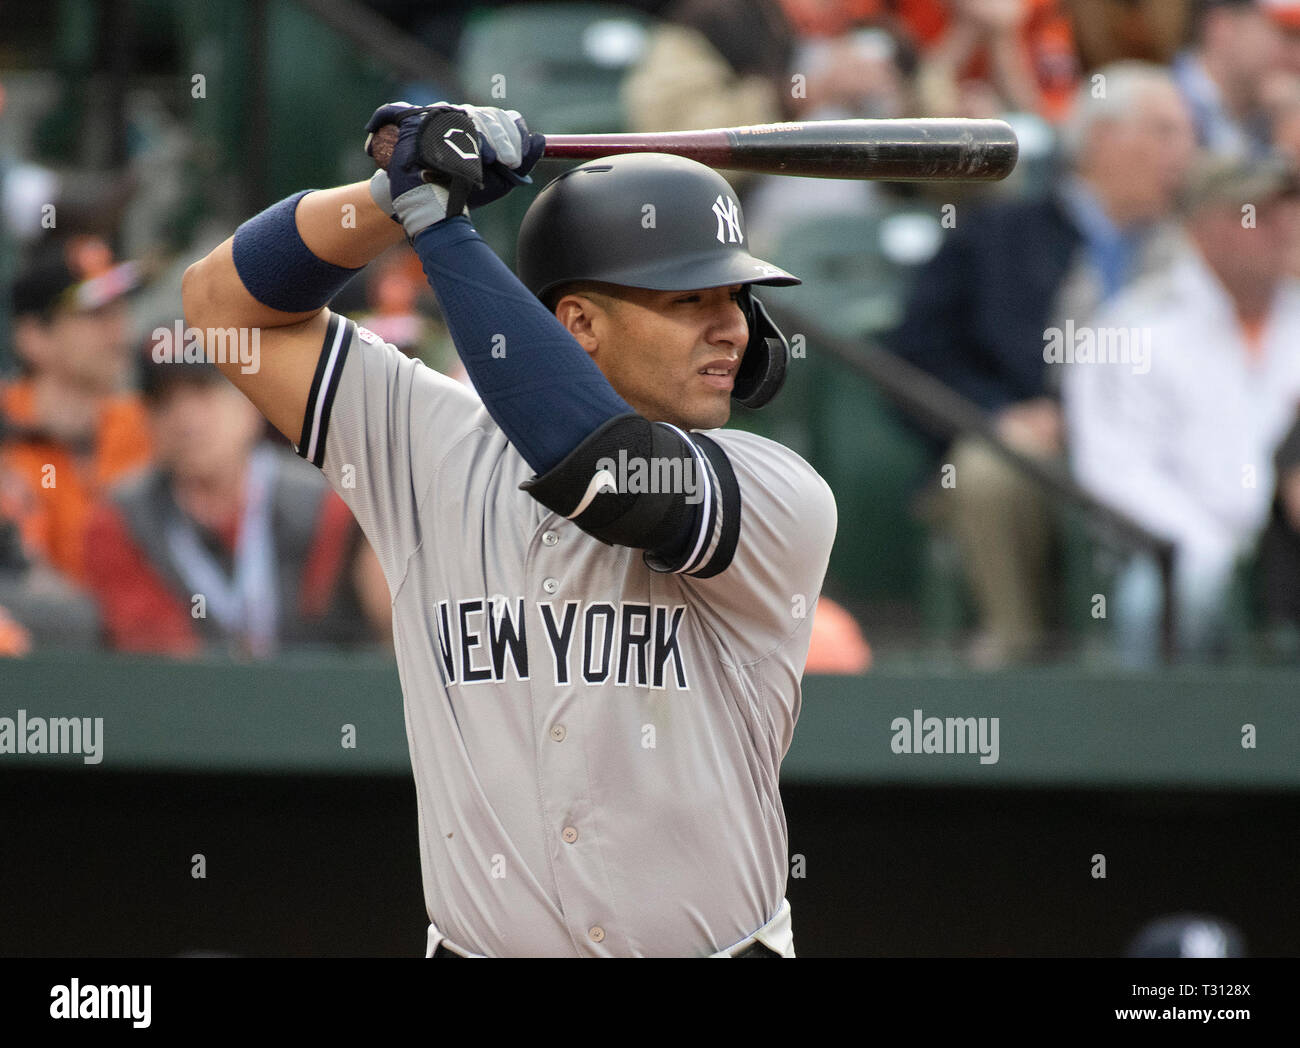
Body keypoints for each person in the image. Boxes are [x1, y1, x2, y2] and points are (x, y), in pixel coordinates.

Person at [181, 102, 837, 957]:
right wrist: (389, 194)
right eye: (690, 298)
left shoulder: (778, 493)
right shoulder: (429, 444)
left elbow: (601, 469)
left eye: (736, 299)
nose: (733, 326)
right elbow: (222, 303)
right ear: (577, 326)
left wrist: (437, 224)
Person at [882, 61, 1195, 666]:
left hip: (1162, 444)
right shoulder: (1001, 233)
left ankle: (1207, 664)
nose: (1185, 150)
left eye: (1185, 131)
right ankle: (1018, 658)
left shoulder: (1195, 247)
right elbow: (912, 357)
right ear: (1101, 140)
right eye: (1164, 131)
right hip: (1046, 451)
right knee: (988, 468)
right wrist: (997, 415)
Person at [1062, 153, 1300, 663]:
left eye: (1287, 211)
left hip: (1290, 546)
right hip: (1185, 550)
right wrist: (1218, 550)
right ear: (1203, 227)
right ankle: (1142, 737)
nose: (1281, 229)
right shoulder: (1136, 327)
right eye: (1253, 213)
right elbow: (1114, 470)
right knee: (1165, 597)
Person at [83, 344, 389, 657]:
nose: (185, 419)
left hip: (320, 696)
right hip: (189, 700)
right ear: (146, 419)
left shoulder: (327, 506)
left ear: (250, 402)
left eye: (204, 393)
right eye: (163, 402)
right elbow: (153, 649)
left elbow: (358, 631)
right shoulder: (121, 518)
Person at [2, 237, 152, 585]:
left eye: (120, 309)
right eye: (95, 314)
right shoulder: (6, 427)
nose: (118, 331)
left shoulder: (150, 426)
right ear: (33, 337)